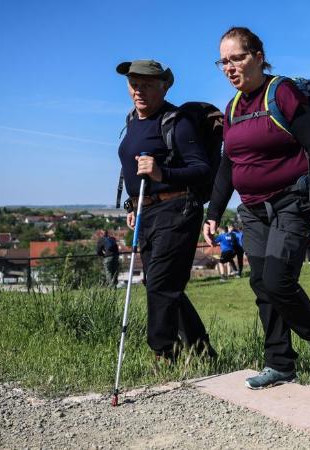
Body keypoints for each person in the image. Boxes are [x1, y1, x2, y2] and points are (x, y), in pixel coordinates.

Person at [204, 27, 310, 389]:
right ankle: (279, 363)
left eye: (237, 58)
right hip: (252, 210)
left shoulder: (282, 92)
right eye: (223, 61)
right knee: (262, 284)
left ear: (258, 57)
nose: (229, 68)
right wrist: (213, 213)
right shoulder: (232, 108)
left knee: (278, 280)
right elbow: (228, 164)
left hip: (291, 202)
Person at [116, 59, 215, 362]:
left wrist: (163, 173)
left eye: (147, 84)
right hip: (146, 212)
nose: (139, 90)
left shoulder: (176, 121)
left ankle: (163, 352)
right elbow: (133, 173)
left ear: (164, 86)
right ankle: (202, 351)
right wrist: (133, 205)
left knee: (160, 283)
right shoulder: (132, 120)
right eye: (134, 84)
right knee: (161, 283)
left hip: (177, 210)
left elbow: (201, 168)